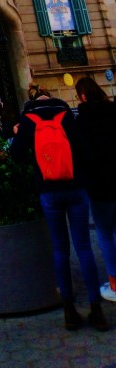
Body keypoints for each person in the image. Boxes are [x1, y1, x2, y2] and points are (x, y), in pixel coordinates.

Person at [10, 87, 108, 331]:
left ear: (33, 102)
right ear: (53, 98)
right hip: (76, 188)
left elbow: (16, 155)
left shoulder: (28, 119)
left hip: (48, 192)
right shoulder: (67, 115)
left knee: (60, 249)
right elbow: (86, 152)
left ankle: (69, 311)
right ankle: (96, 309)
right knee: (84, 248)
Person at [75, 75, 116, 303]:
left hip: (100, 185)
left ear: (82, 96)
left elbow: (84, 155)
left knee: (104, 234)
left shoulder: (83, 119)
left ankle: (114, 284)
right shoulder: (113, 111)